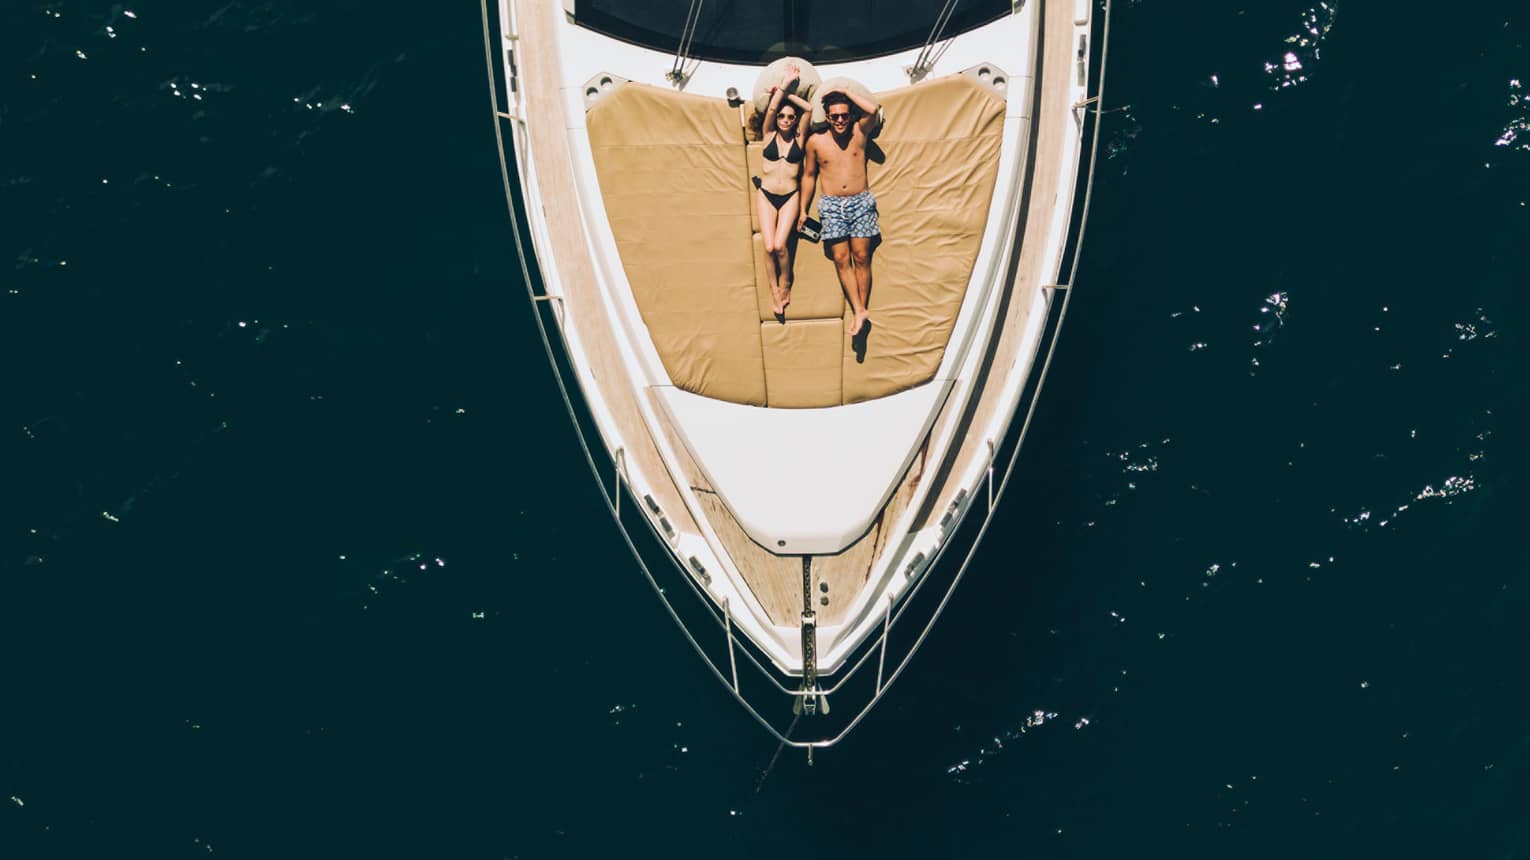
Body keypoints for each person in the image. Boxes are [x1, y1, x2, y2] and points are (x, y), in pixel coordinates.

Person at [799, 86, 882, 336]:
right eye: (834, 116)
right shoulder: (815, 142)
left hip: (861, 202)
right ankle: (859, 310)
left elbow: (873, 110)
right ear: (826, 117)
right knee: (840, 259)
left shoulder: (859, 131)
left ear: (850, 114)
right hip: (831, 205)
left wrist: (845, 90)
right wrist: (803, 209)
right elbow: (809, 175)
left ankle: (860, 311)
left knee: (861, 257)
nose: (839, 120)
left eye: (844, 115)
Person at [754, 66, 812, 317]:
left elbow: (808, 109)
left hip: (789, 196)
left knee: (780, 246)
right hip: (766, 195)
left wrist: (787, 94)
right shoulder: (768, 135)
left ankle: (786, 282)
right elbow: (772, 109)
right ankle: (774, 290)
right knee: (768, 247)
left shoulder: (799, 138)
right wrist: (782, 88)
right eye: (782, 117)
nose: (786, 120)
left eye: (790, 117)